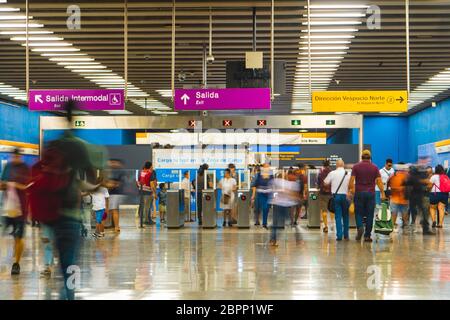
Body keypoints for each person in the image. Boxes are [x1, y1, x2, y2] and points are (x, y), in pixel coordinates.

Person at [0, 149, 30, 275]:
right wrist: (5, 185)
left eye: (17, 156)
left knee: (18, 237)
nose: (15, 158)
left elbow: (28, 186)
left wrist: (16, 185)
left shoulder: (25, 168)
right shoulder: (8, 167)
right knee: (4, 234)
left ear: (20, 157)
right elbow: (2, 184)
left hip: (21, 210)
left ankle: (16, 263)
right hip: (8, 208)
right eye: (13, 156)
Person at [348, 150, 386, 242]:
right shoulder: (375, 167)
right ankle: (367, 236)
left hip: (359, 193)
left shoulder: (356, 167)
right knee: (369, 215)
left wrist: (351, 191)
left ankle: (360, 227)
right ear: (370, 157)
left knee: (358, 213)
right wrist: (382, 193)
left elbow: (351, 181)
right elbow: (379, 182)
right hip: (370, 194)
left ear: (361, 157)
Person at [269, 171, 301, 246]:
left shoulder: (294, 184)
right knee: (279, 223)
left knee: (282, 222)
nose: (294, 177)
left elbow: (293, 194)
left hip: (284, 205)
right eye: (293, 175)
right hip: (279, 205)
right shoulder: (281, 182)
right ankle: (273, 238)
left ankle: (273, 236)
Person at [324, 159, 351, 241]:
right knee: (346, 216)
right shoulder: (348, 173)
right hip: (346, 196)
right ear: (343, 165)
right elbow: (352, 185)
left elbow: (325, 183)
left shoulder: (332, 173)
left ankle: (339, 236)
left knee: (338, 216)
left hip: (336, 196)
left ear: (336, 165)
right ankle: (346, 235)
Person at [406, 165, 434, 235]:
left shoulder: (410, 177)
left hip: (414, 197)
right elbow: (429, 183)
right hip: (419, 197)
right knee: (422, 213)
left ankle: (418, 227)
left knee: (415, 212)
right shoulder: (418, 177)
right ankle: (424, 229)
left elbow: (407, 187)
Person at [105, 159, 127, 233]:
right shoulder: (111, 171)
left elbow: (116, 184)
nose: (111, 164)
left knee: (114, 210)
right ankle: (112, 224)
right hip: (111, 193)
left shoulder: (120, 172)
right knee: (111, 210)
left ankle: (116, 226)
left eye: (113, 162)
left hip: (116, 193)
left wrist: (108, 184)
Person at [387, 163, 409, 231]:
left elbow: (388, 185)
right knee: (404, 213)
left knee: (394, 213)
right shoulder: (407, 176)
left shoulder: (393, 175)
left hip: (394, 198)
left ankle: (392, 228)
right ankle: (405, 227)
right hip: (404, 198)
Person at [251, 163, 273, 229]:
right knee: (264, 207)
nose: (267, 168)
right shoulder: (258, 175)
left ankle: (264, 223)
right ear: (263, 168)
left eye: (268, 167)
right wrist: (253, 195)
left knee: (266, 209)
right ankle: (264, 224)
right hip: (261, 194)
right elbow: (254, 185)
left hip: (268, 194)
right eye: (266, 167)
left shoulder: (271, 175)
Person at [137, 161, 157, 225]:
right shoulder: (150, 173)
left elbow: (138, 181)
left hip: (141, 191)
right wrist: (154, 193)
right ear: (150, 166)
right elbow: (152, 184)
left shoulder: (142, 172)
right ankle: (146, 220)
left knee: (143, 205)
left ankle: (145, 219)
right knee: (147, 206)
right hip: (148, 191)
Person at [318, 160, 333, 233]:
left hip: (323, 194)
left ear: (323, 165)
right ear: (329, 165)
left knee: (324, 210)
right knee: (332, 209)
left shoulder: (321, 173)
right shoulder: (332, 173)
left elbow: (318, 184)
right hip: (331, 194)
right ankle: (333, 224)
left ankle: (326, 226)